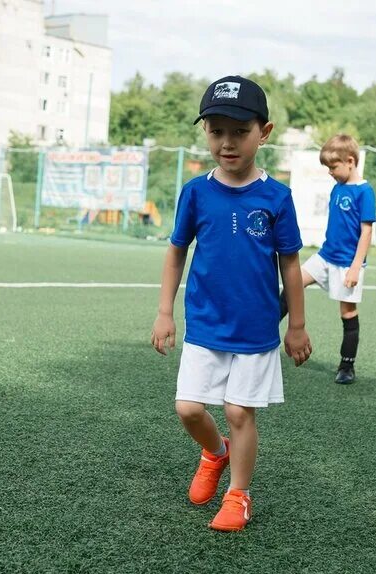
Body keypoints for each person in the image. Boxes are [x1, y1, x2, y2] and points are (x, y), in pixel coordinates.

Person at [151, 75, 312, 533]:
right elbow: (177, 251)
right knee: (188, 407)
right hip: (205, 322)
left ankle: (238, 494)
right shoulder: (196, 192)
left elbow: (291, 265)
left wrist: (296, 325)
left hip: (257, 329)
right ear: (205, 132)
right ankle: (214, 453)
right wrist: (165, 311)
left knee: (240, 412)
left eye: (240, 131)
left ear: (265, 132)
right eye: (216, 131)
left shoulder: (276, 197)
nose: (227, 142)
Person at [282, 134, 375, 385]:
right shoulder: (337, 188)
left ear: (351, 161)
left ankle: (347, 366)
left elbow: (366, 232)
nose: (330, 172)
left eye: (333, 167)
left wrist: (355, 267)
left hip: (347, 263)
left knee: (347, 311)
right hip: (325, 256)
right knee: (293, 282)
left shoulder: (364, 191)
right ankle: (263, 332)